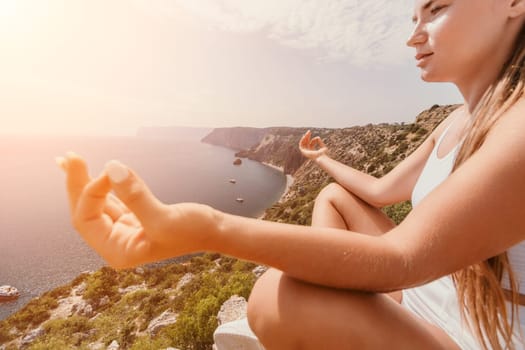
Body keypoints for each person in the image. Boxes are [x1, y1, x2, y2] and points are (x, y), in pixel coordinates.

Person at [56, 0, 525, 348]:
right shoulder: (456, 120)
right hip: (434, 297)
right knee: (333, 199)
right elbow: (381, 193)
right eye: (413, 19)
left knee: (277, 297)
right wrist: (318, 160)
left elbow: (401, 260)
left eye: (436, 8)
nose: (414, 35)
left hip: (478, 335)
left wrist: (207, 227)